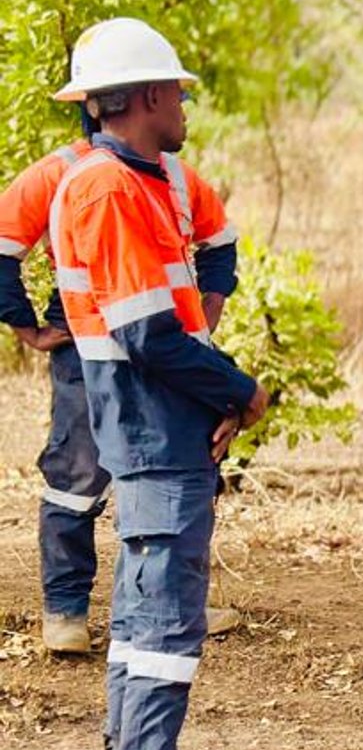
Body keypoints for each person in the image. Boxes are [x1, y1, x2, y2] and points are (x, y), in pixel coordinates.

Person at [49, 17, 269, 750]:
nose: (184, 105)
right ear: (143, 99)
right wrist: (241, 389)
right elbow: (146, 334)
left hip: (162, 426)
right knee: (159, 637)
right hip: (146, 431)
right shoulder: (106, 190)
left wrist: (208, 397)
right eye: (175, 92)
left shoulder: (140, 181)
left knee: (154, 631)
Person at [2, 123, 244, 658]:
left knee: (181, 465)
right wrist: (26, 325)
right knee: (79, 472)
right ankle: (65, 610)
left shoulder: (175, 174)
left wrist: (210, 305)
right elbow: (1, 245)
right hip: (89, 337)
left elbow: (220, 241)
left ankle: (176, 597)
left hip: (168, 337)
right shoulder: (61, 171)